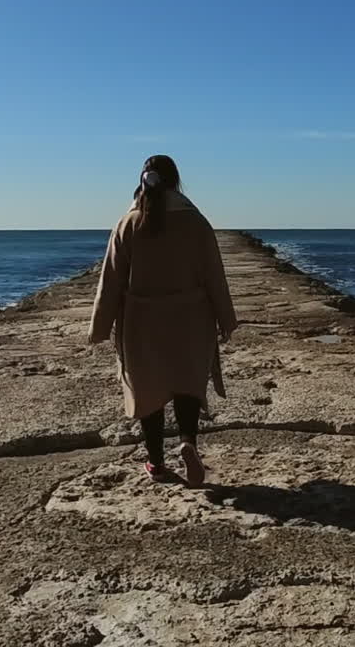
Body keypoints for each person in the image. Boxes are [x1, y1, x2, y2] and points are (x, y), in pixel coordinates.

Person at [89, 155, 237, 487]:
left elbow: (110, 279)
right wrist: (226, 318)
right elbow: (214, 274)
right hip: (191, 317)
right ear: (176, 181)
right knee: (187, 383)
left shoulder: (128, 223)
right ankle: (188, 442)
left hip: (141, 322)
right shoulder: (196, 223)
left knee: (148, 391)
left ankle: (156, 463)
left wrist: (100, 326)